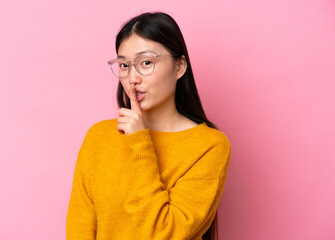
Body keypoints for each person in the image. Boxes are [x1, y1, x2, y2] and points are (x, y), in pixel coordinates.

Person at [66, 12, 231, 240]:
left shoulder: (209, 146)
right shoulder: (99, 137)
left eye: (146, 63)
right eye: (124, 65)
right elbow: (79, 230)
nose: (132, 78)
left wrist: (139, 142)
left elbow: (160, 234)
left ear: (179, 66)